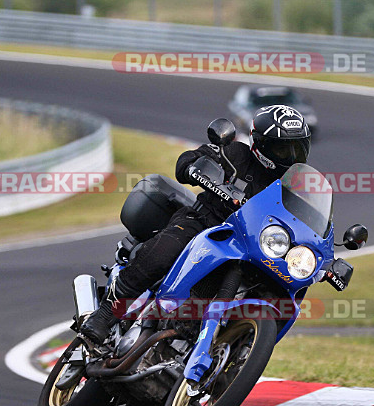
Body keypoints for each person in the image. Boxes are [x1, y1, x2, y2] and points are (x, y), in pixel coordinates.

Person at [78, 105, 312, 349]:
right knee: (163, 253)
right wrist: (196, 170)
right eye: (283, 148)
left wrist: (324, 256)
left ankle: (237, 353)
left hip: (249, 247)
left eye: (299, 147)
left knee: (275, 288)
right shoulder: (235, 153)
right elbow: (186, 161)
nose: (292, 155)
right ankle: (105, 315)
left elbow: (309, 223)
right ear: (261, 144)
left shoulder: (295, 187)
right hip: (203, 223)